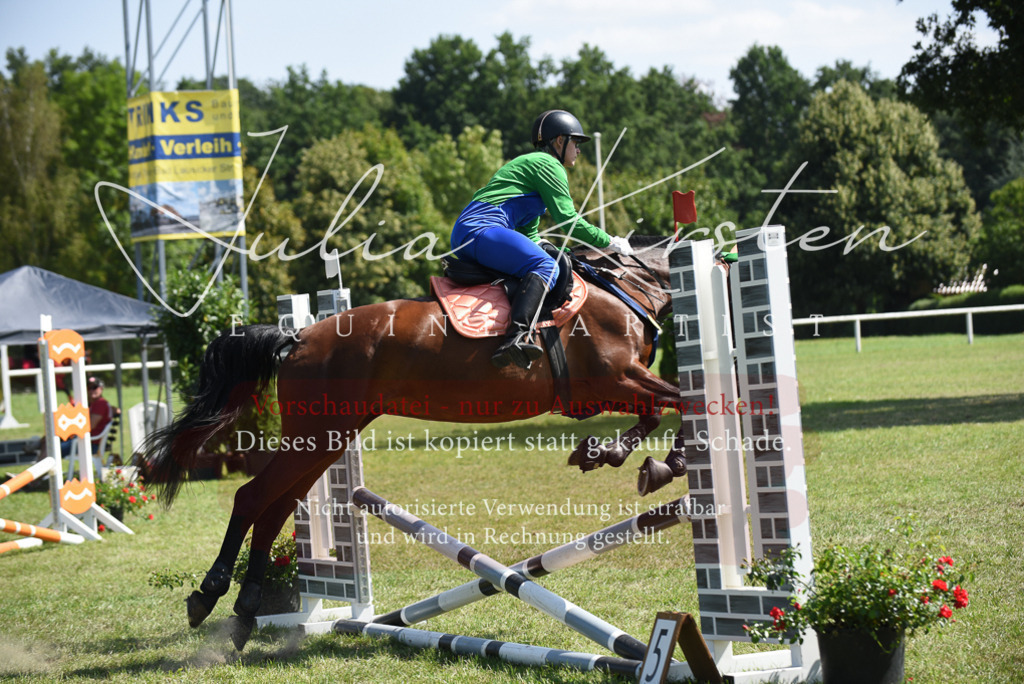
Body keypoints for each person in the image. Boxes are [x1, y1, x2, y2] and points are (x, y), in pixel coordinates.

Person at [450, 109, 633, 369]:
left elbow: (530, 234)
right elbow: (568, 220)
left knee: (547, 259)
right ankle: (516, 337)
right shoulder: (549, 165)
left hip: (470, 232)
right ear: (559, 141)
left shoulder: (534, 165)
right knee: (546, 267)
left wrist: (560, 250)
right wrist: (609, 241)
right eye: (576, 143)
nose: (579, 150)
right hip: (482, 229)